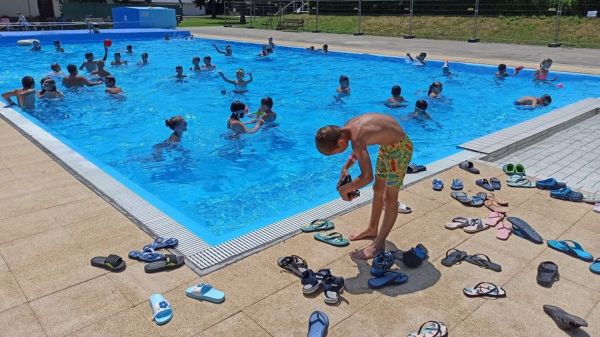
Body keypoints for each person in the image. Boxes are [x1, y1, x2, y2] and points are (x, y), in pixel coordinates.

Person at [315, 113, 413, 259]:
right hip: (387, 148)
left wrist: (344, 190)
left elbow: (367, 176)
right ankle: (373, 228)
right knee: (377, 189)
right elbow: (358, 149)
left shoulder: (356, 137)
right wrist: (346, 166)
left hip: (400, 151)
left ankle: (378, 245)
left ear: (341, 143)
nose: (339, 153)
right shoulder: (348, 127)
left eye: (336, 152)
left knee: (389, 198)